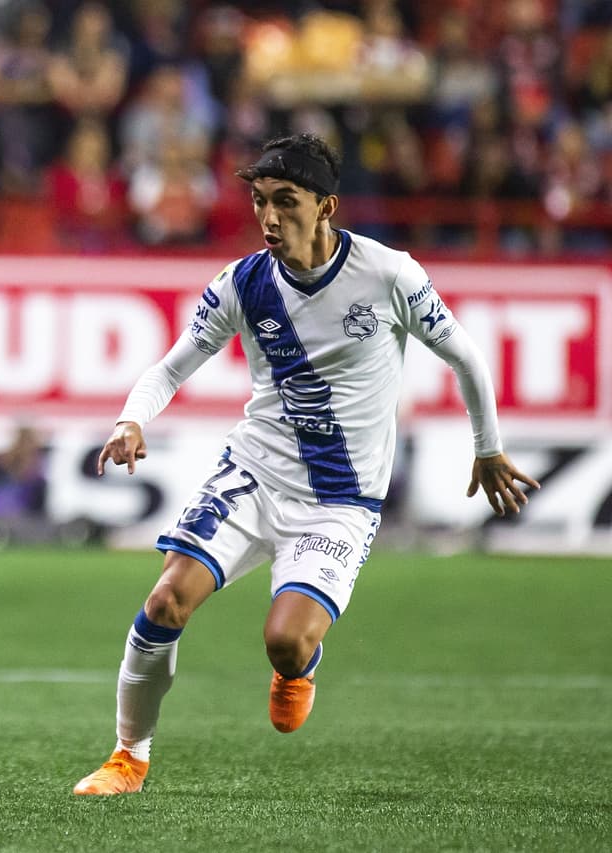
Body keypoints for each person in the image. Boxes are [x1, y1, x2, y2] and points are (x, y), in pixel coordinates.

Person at [72, 133, 539, 796]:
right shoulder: (243, 282)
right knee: (164, 599)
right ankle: (128, 758)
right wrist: (131, 418)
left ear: (327, 207)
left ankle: (298, 666)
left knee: (285, 641)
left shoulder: (388, 274)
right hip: (255, 471)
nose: (267, 216)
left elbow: (465, 356)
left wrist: (487, 447)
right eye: (260, 201)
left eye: (285, 201)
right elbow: (173, 365)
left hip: (341, 499)